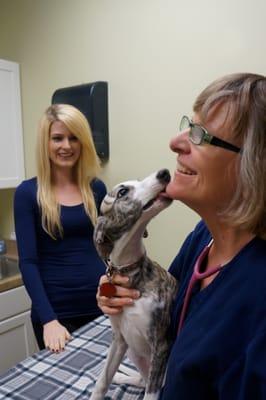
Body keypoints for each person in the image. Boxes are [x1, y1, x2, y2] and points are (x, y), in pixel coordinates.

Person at [96, 73, 266, 399]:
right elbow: (165, 310)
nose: (176, 142)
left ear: (253, 166)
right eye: (189, 124)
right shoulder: (203, 238)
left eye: (200, 135)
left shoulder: (258, 302)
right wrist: (114, 293)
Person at [14, 104, 107, 352]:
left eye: (73, 138)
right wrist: (49, 320)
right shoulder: (27, 193)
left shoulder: (96, 189)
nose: (66, 146)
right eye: (57, 138)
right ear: (46, 142)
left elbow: (108, 248)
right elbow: (28, 262)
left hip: (101, 304)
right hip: (57, 313)